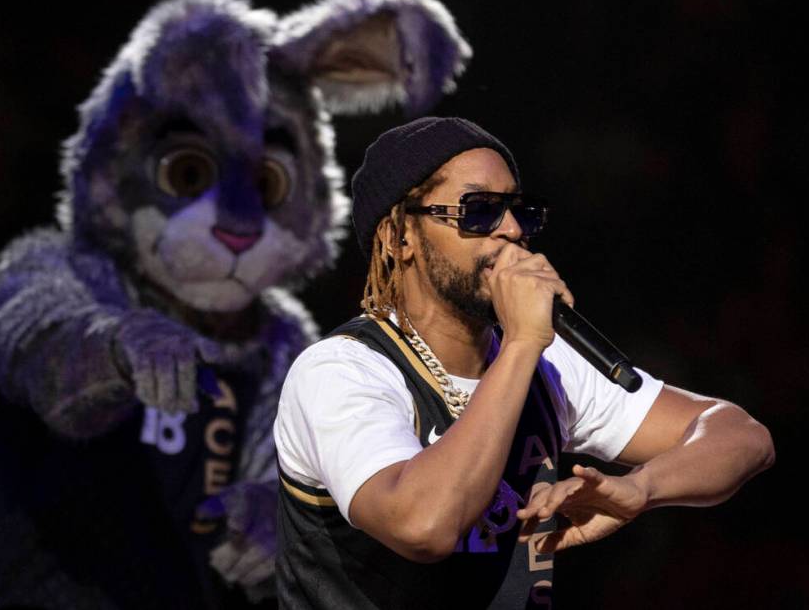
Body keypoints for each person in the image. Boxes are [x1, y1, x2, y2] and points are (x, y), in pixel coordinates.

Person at [272, 116, 775, 609]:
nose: (512, 230)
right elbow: (423, 526)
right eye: (480, 210)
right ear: (399, 237)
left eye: (521, 211)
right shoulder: (341, 372)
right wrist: (521, 344)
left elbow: (742, 437)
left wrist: (640, 487)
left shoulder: (547, 363)